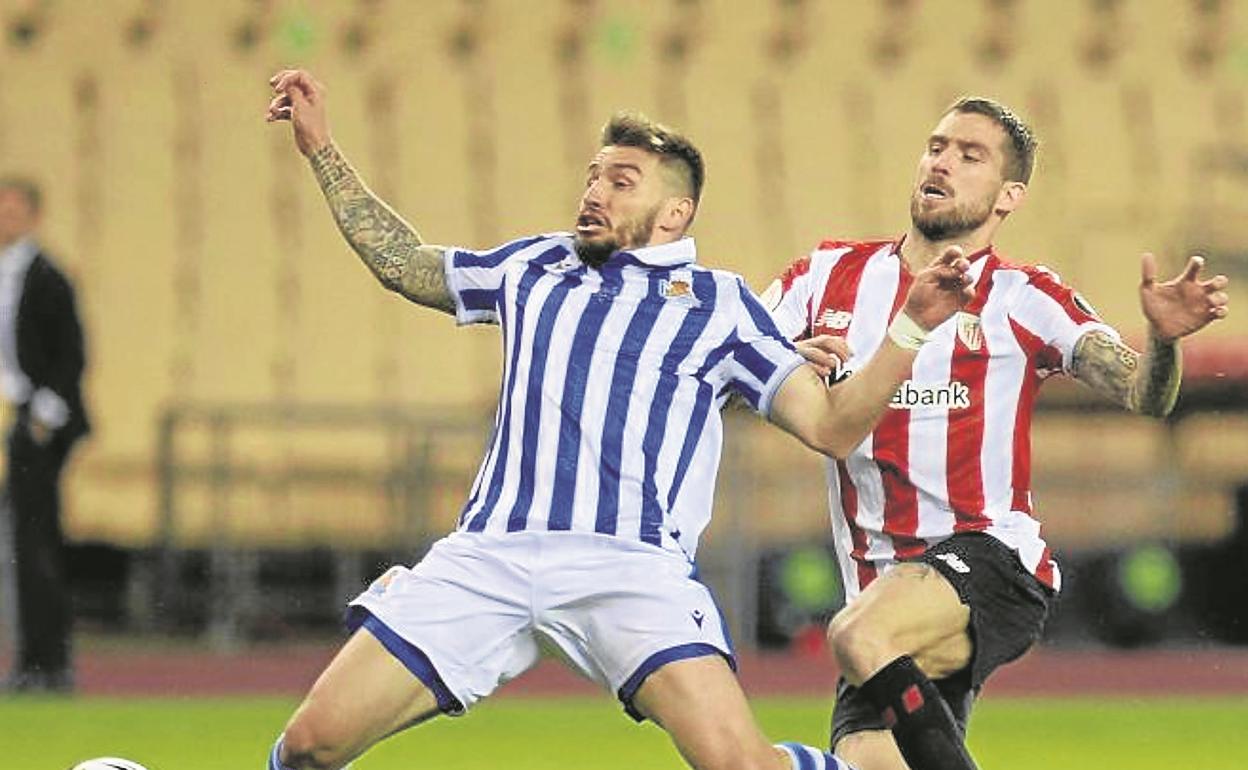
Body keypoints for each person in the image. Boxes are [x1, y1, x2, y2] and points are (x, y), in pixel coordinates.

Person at [263, 68, 976, 770]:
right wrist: (320, 147)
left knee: (739, 765)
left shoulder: (720, 305)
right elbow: (404, 264)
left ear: (674, 214)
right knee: (307, 746)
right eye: (593, 178)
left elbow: (831, 428)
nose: (594, 193)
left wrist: (911, 326)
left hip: (629, 568)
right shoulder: (534, 265)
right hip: (490, 555)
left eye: (621, 182)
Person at [762, 97, 1231, 770]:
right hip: (882, 591)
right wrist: (784, 358)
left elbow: (1144, 393)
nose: (942, 163)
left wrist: (1162, 340)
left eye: (969, 155)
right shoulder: (827, 275)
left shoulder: (1022, 294)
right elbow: (730, 354)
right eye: (936, 147)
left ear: (1009, 194)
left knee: (855, 634)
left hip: (990, 562)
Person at [0, 177, 90, 693]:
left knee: (36, 545)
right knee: (21, 543)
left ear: (33, 216)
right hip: (20, 416)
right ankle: (32, 660)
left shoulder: (47, 277)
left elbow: (72, 355)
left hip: (40, 426)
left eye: (13, 212)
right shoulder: (10, 273)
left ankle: (47, 664)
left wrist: (43, 415)